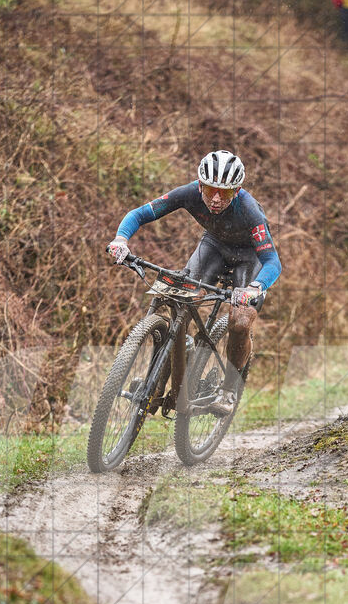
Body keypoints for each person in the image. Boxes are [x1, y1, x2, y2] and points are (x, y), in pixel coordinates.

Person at [108, 150, 281, 416]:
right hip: (213, 247)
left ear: (237, 191)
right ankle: (163, 372)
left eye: (224, 193)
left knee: (240, 321)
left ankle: (229, 389)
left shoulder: (249, 210)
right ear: (200, 184)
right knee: (180, 299)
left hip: (249, 259)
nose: (215, 199)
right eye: (210, 189)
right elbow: (140, 214)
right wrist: (121, 239)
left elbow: (272, 261)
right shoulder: (188, 193)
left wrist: (253, 288)